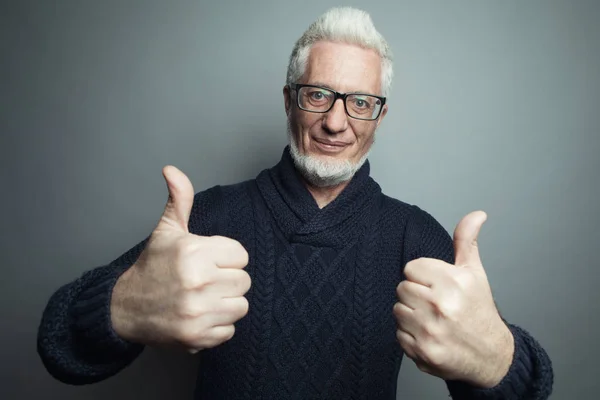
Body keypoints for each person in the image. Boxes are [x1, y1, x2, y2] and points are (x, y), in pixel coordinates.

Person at [37, 7, 553, 399]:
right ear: (289, 100)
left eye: (360, 102)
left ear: (379, 115)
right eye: (317, 95)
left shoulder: (414, 236)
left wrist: (498, 361)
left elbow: (523, 383)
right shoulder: (209, 218)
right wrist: (121, 308)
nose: (336, 121)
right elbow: (57, 344)